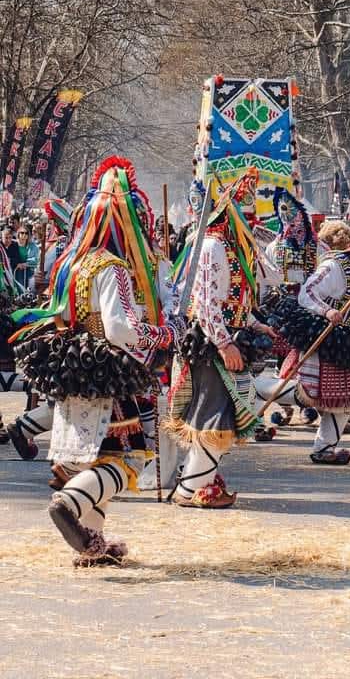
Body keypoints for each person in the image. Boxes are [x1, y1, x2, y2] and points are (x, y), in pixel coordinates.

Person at [12, 157, 181, 566]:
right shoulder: (114, 268)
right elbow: (120, 329)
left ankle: (94, 543)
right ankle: (69, 503)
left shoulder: (70, 265)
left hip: (76, 369)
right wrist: (162, 335)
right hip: (111, 372)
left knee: (95, 458)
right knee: (126, 458)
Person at [164, 168, 277, 508]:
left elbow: (233, 299)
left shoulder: (232, 247)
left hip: (227, 339)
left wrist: (254, 324)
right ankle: (191, 490)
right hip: (212, 346)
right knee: (213, 419)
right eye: (246, 213)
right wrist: (224, 343)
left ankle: (198, 483)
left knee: (220, 417)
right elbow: (205, 304)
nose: (252, 220)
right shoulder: (213, 246)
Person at [279, 227, 350, 464]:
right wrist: (327, 310)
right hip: (326, 339)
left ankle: (324, 448)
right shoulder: (335, 266)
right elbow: (307, 292)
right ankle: (260, 394)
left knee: (345, 399)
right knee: (309, 392)